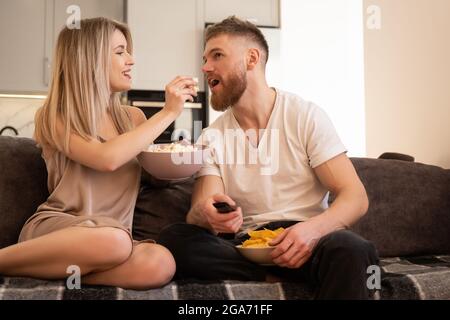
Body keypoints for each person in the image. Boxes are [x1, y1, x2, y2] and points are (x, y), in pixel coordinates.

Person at [158, 16, 379, 299]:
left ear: (252, 58)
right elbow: (202, 208)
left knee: (354, 249)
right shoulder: (210, 137)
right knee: (175, 238)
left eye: (217, 55)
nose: (205, 67)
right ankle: (269, 276)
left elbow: (355, 197)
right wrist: (207, 214)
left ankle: (289, 272)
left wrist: (310, 231)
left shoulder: (304, 116)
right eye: (205, 58)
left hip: (307, 243)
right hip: (247, 246)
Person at [0, 17, 198, 290]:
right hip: (62, 231)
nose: (131, 60)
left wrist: (179, 159)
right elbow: (107, 159)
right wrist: (167, 113)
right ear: (87, 59)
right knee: (112, 240)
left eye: (128, 51)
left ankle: (60, 275)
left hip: (116, 242)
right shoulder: (55, 116)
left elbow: (156, 177)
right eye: (120, 52)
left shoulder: (134, 118)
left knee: (161, 262)